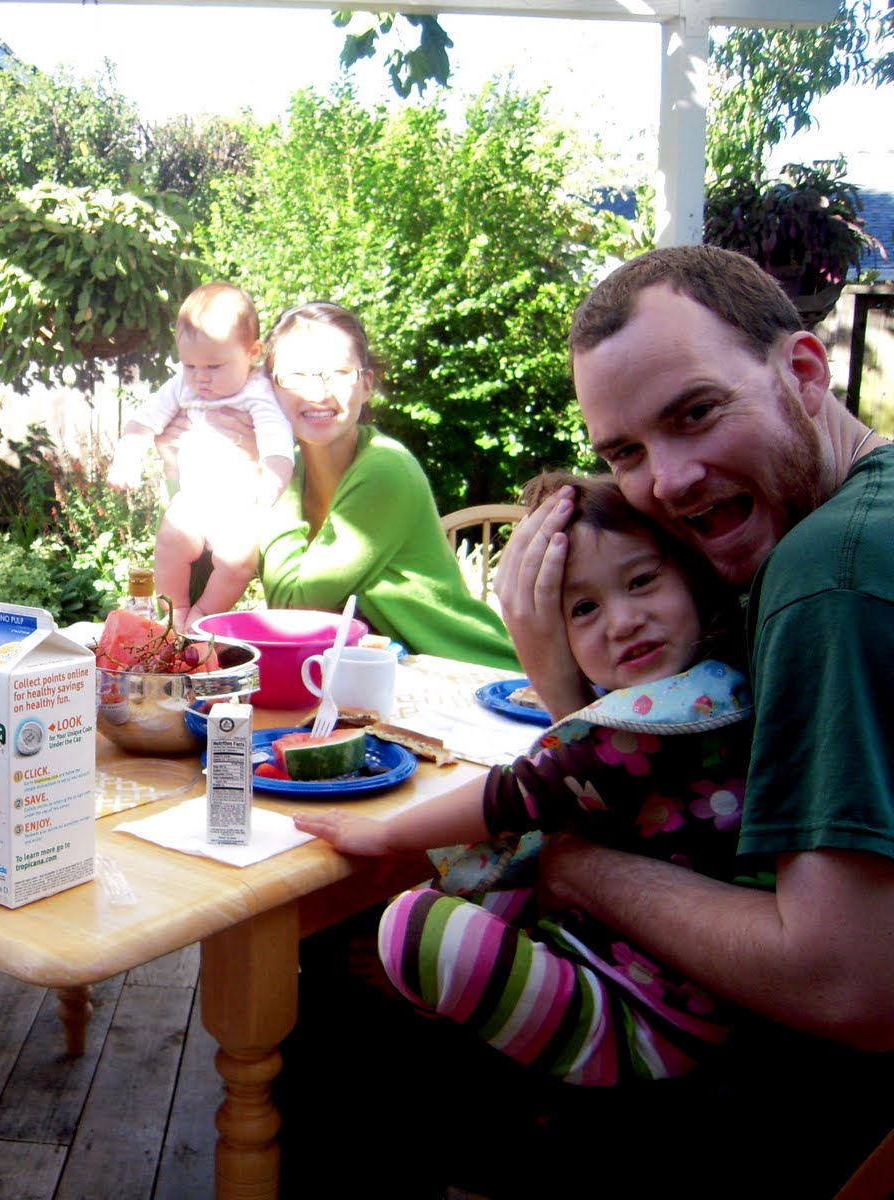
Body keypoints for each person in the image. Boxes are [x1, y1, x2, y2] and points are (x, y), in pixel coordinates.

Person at [488, 244, 894, 1194]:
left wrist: (573, 864)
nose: (666, 483)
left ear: (804, 371)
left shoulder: (826, 579)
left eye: (696, 412)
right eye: (624, 453)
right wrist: (567, 692)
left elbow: (848, 985)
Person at [296, 470, 751, 1086]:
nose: (623, 621)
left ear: (693, 574)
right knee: (493, 868)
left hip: (639, 1019)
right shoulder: (717, 682)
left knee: (411, 926)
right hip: (656, 976)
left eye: (642, 581)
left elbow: (515, 792)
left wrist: (384, 834)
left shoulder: (648, 726)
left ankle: (436, 999)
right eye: (584, 608)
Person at [254, 301, 518, 667]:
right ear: (268, 389)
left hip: (473, 675)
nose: (317, 391)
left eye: (339, 372)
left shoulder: (385, 468)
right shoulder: (294, 470)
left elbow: (292, 612)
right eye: (295, 375)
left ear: (366, 385)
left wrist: (275, 480)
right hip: (391, 677)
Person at [108, 281, 295, 628]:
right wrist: (127, 457)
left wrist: (270, 486)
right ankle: (174, 613)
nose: (200, 378)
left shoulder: (258, 394)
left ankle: (203, 615)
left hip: (238, 505)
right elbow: (144, 421)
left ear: (252, 353)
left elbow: (278, 448)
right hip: (194, 499)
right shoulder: (182, 384)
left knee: (239, 560)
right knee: (169, 544)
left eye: (214, 367)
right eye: (190, 366)